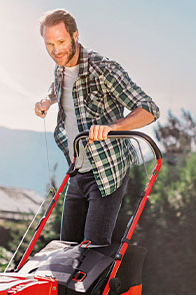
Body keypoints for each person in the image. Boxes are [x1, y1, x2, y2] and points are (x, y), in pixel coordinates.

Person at [34, 9, 159, 248]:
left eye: (61, 41)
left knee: (93, 251)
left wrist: (112, 127)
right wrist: (46, 101)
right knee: (65, 252)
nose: (56, 50)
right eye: (49, 44)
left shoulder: (103, 69)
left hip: (106, 171)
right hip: (77, 172)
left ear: (75, 36)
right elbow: (57, 88)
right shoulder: (59, 70)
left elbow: (149, 109)